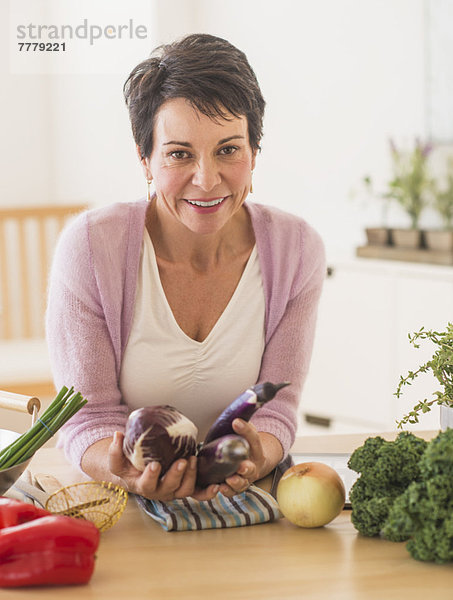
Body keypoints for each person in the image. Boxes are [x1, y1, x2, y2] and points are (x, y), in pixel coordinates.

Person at [46, 33, 326, 503]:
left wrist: (261, 456)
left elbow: (276, 412)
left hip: (242, 502)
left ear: (254, 154)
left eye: (228, 149)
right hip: (124, 510)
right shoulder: (92, 249)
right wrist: (122, 473)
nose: (206, 178)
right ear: (146, 161)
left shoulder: (297, 250)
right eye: (179, 153)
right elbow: (87, 419)